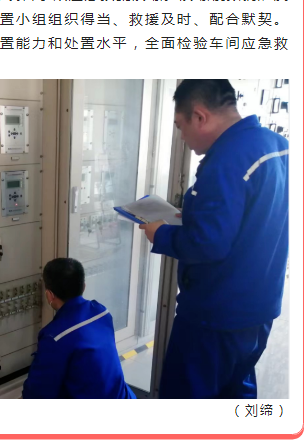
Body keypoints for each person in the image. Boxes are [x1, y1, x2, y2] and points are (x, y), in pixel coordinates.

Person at [139, 79, 289, 399]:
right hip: (259, 310)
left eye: (180, 126)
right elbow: (252, 218)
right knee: (235, 394)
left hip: (215, 316)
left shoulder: (226, 160)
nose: (182, 137)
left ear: (200, 116)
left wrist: (160, 233)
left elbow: (208, 244)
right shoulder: (278, 145)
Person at [22, 258, 136, 399]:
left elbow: (36, 393)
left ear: (49, 295)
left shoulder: (55, 337)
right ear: (83, 287)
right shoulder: (102, 312)